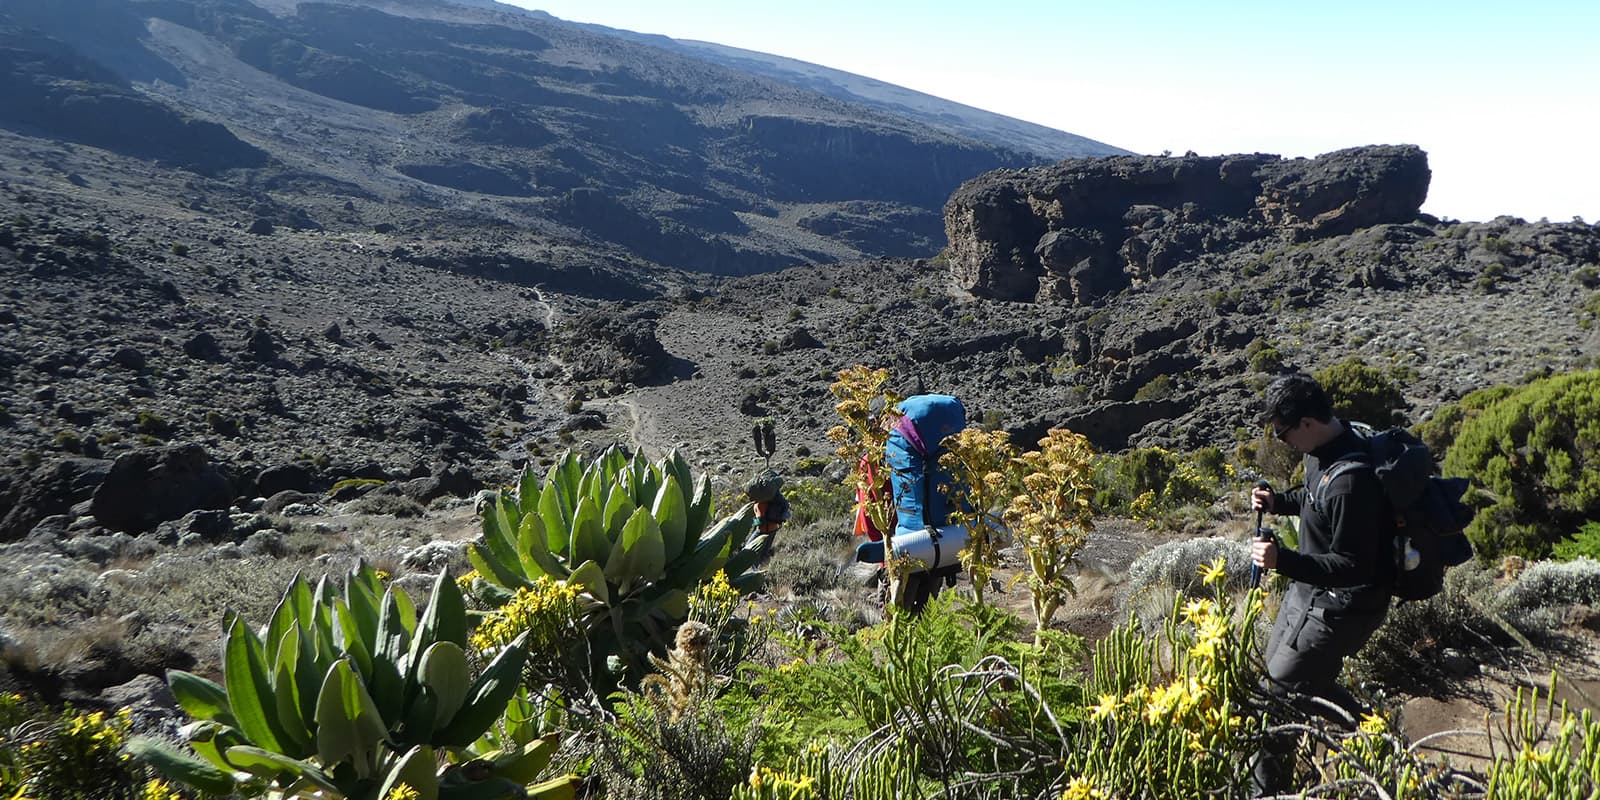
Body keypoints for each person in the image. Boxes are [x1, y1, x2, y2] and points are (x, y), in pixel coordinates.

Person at [1248, 372, 1393, 796]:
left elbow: (1353, 567)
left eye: (1284, 432)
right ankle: (1371, 731)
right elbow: (1314, 499)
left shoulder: (1352, 482)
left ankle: (1268, 793)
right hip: (1306, 594)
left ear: (1307, 423)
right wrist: (1279, 501)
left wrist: (1282, 560)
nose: (1282, 440)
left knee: (1275, 706)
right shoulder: (1323, 450)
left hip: (1341, 608)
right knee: (1284, 684)